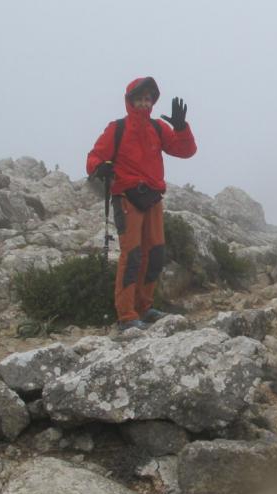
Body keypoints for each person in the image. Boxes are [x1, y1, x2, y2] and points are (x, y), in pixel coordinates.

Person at [87, 77, 197, 330]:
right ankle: (126, 315)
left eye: (148, 98)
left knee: (155, 253)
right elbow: (94, 157)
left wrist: (181, 128)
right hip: (127, 197)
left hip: (152, 198)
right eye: (139, 98)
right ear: (130, 101)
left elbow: (186, 150)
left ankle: (144, 307)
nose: (144, 103)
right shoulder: (117, 128)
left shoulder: (157, 128)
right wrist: (99, 167)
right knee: (133, 254)